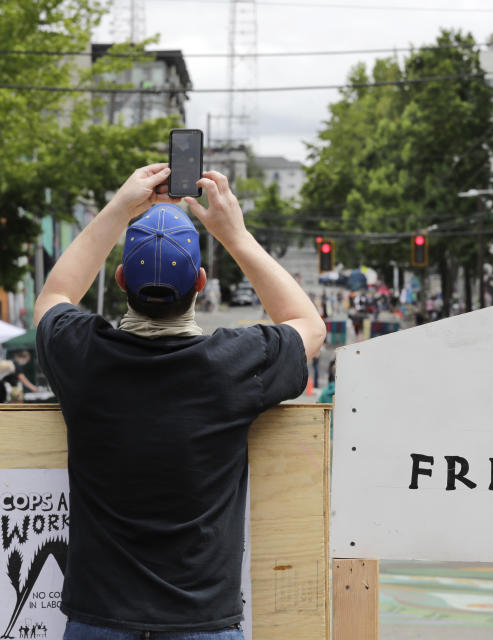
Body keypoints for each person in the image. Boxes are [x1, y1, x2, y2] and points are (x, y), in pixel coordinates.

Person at [33, 164, 325, 639]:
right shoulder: (234, 363)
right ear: (201, 283)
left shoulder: (82, 355)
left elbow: (56, 295)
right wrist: (236, 235)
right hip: (203, 626)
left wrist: (118, 209)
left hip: (98, 621)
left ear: (123, 279)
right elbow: (307, 324)